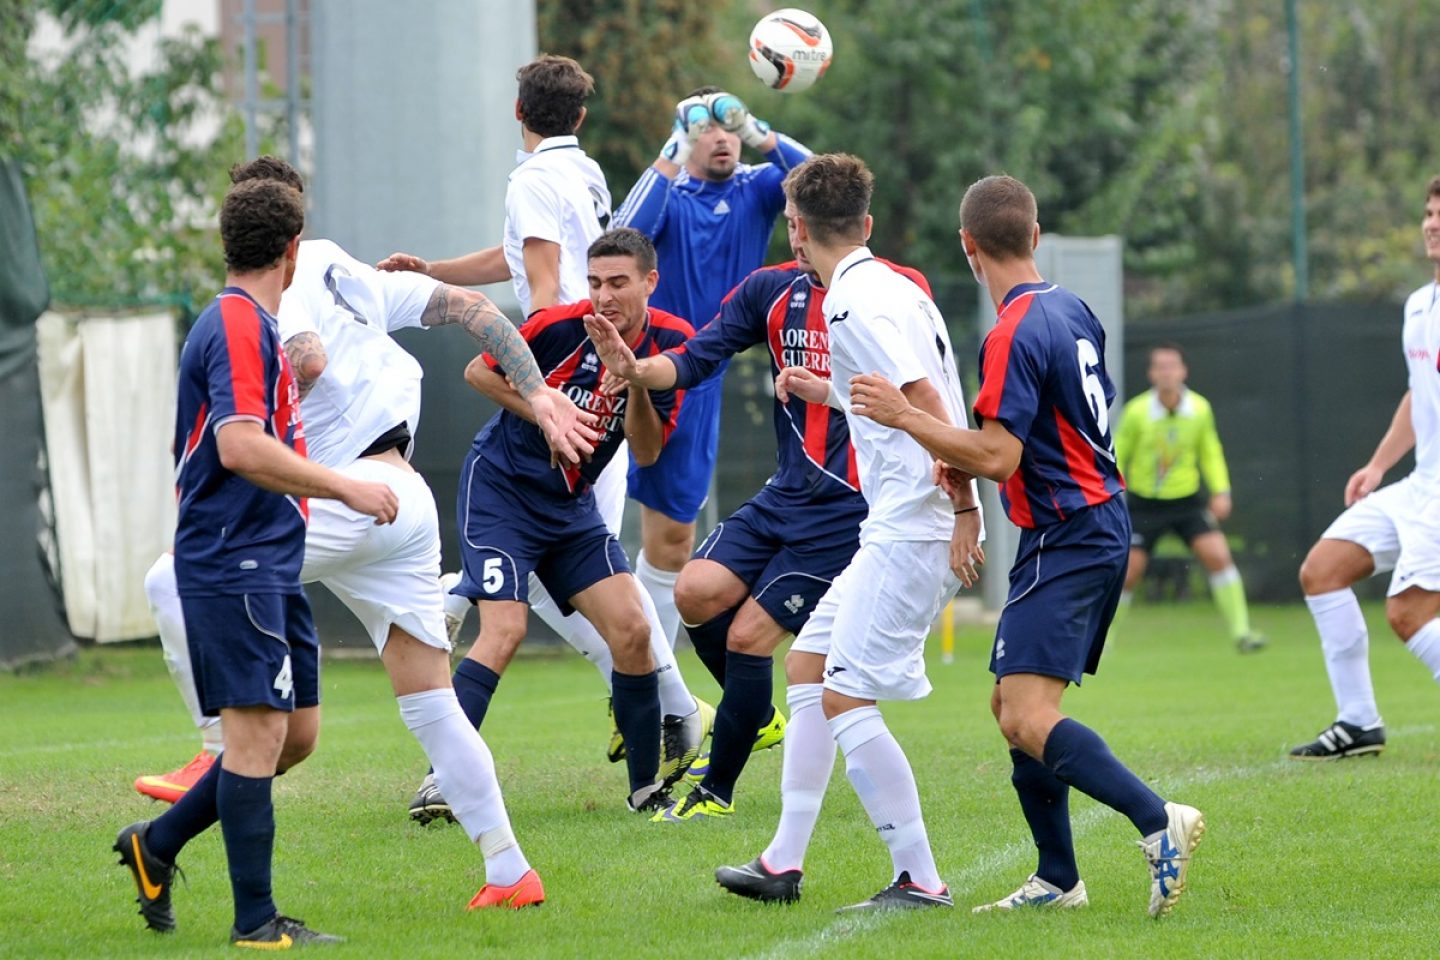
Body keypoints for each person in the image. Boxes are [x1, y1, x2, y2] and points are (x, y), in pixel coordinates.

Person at [132, 156, 602, 911]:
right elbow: (471, 310)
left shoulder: (260, 302)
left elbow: (306, 358)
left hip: (347, 493)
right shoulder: (343, 266)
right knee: (429, 704)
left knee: (168, 578)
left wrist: (269, 416)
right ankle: (510, 870)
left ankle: (209, 746)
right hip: (404, 502)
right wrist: (540, 394)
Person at [846, 174, 1205, 919]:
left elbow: (1000, 456)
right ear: (1035, 236)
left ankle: (1154, 818)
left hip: (1067, 532)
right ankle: (1057, 878)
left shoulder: (1010, 333)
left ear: (968, 246)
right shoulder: (1071, 308)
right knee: (1010, 706)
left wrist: (906, 418)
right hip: (1094, 523)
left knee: (1027, 713)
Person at [376, 55, 704, 768]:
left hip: (570, 376)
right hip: (587, 372)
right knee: (568, 579)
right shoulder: (583, 173)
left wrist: (549, 377)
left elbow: (547, 284)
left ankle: (673, 711)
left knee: (563, 582)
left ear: (516, 110)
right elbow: (520, 257)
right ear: (580, 117)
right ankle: (665, 710)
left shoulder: (531, 179)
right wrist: (434, 270)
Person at [114, 177, 399, 947]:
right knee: (253, 743)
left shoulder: (253, 323)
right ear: (293, 251)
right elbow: (239, 447)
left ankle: (157, 843)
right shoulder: (238, 324)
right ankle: (256, 924)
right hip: (233, 561)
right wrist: (345, 485)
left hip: (270, 559)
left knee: (294, 737)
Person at [585, 205, 936, 823]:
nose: (798, 233)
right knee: (693, 590)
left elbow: (925, 391)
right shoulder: (770, 291)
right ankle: (758, 717)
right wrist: (639, 370)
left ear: (859, 226)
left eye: (807, 221)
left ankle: (716, 791)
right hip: (785, 494)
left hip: (848, 508)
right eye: (793, 221)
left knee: (749, 635)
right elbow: (697, 358)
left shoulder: (894, 290)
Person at [711, 154, 980, 911]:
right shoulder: (888, 285)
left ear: (795, 230)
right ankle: (782, 861)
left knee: (846, 697)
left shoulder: (852, 303)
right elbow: (899, 397)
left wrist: (963, 512)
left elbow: (927, 402)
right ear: (865, 224)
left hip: (911, 528)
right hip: (893, 525)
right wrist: (826, 390)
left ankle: (920, 877)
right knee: (808, 667)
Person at [448, 227, 701, 813]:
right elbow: (478, 373)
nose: (604, 296)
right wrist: (546, 409)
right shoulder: (559, 325)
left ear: (650, 282)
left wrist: (634, 376)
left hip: (570, 509)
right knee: (505, 631)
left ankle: (645, 793)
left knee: (634, 632)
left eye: (618, 282)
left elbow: (645, 451)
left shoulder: (671, 342)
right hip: (502, 493)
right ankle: (446, 778)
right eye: (594, 283)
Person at [612, 88, 811, 649]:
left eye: (729, 126)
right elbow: (620, 236)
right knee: (670, 540)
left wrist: (760, 134)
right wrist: (674, 144)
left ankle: (648, 676)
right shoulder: (671, 193)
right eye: (707, 127)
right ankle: (645, 676)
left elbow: (823, 184)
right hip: (667, 369)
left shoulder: (756, 186)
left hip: (709, 370)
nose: (720, 137)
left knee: (672, 540)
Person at [1290, 175, 1440, 761]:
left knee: (1408, 613)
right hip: (1419, 484)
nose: (1431, 223)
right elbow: (1417, 394)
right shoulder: (1419, 306)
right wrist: (1378, 465)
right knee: (1322, 570)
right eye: (1428, 212)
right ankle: (1359, 722)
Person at [1114, 343, 1265, 652]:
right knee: (1127, 573)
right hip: (1145, 504)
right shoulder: (1137, 412)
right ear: (1151, 373)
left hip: (1187, 502)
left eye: (1172, 366)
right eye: (1160, 366)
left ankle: (1242, 633)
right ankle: (1101, 642)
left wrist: (1221, 490)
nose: (1167, 372)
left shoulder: (1199, 409)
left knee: (1219, 557)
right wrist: (1112, 494)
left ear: (1183, 371)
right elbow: (1117, 455)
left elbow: (1210, 452)